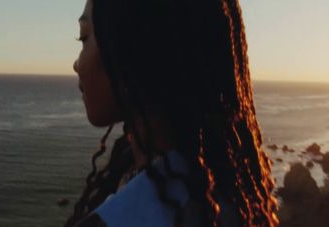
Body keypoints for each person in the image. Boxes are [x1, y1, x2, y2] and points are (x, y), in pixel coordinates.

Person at [65, 0, 279, 226]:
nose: (76, 64)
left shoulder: (119, 218)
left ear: (130, 53)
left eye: (84, 38)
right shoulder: (230, 193)